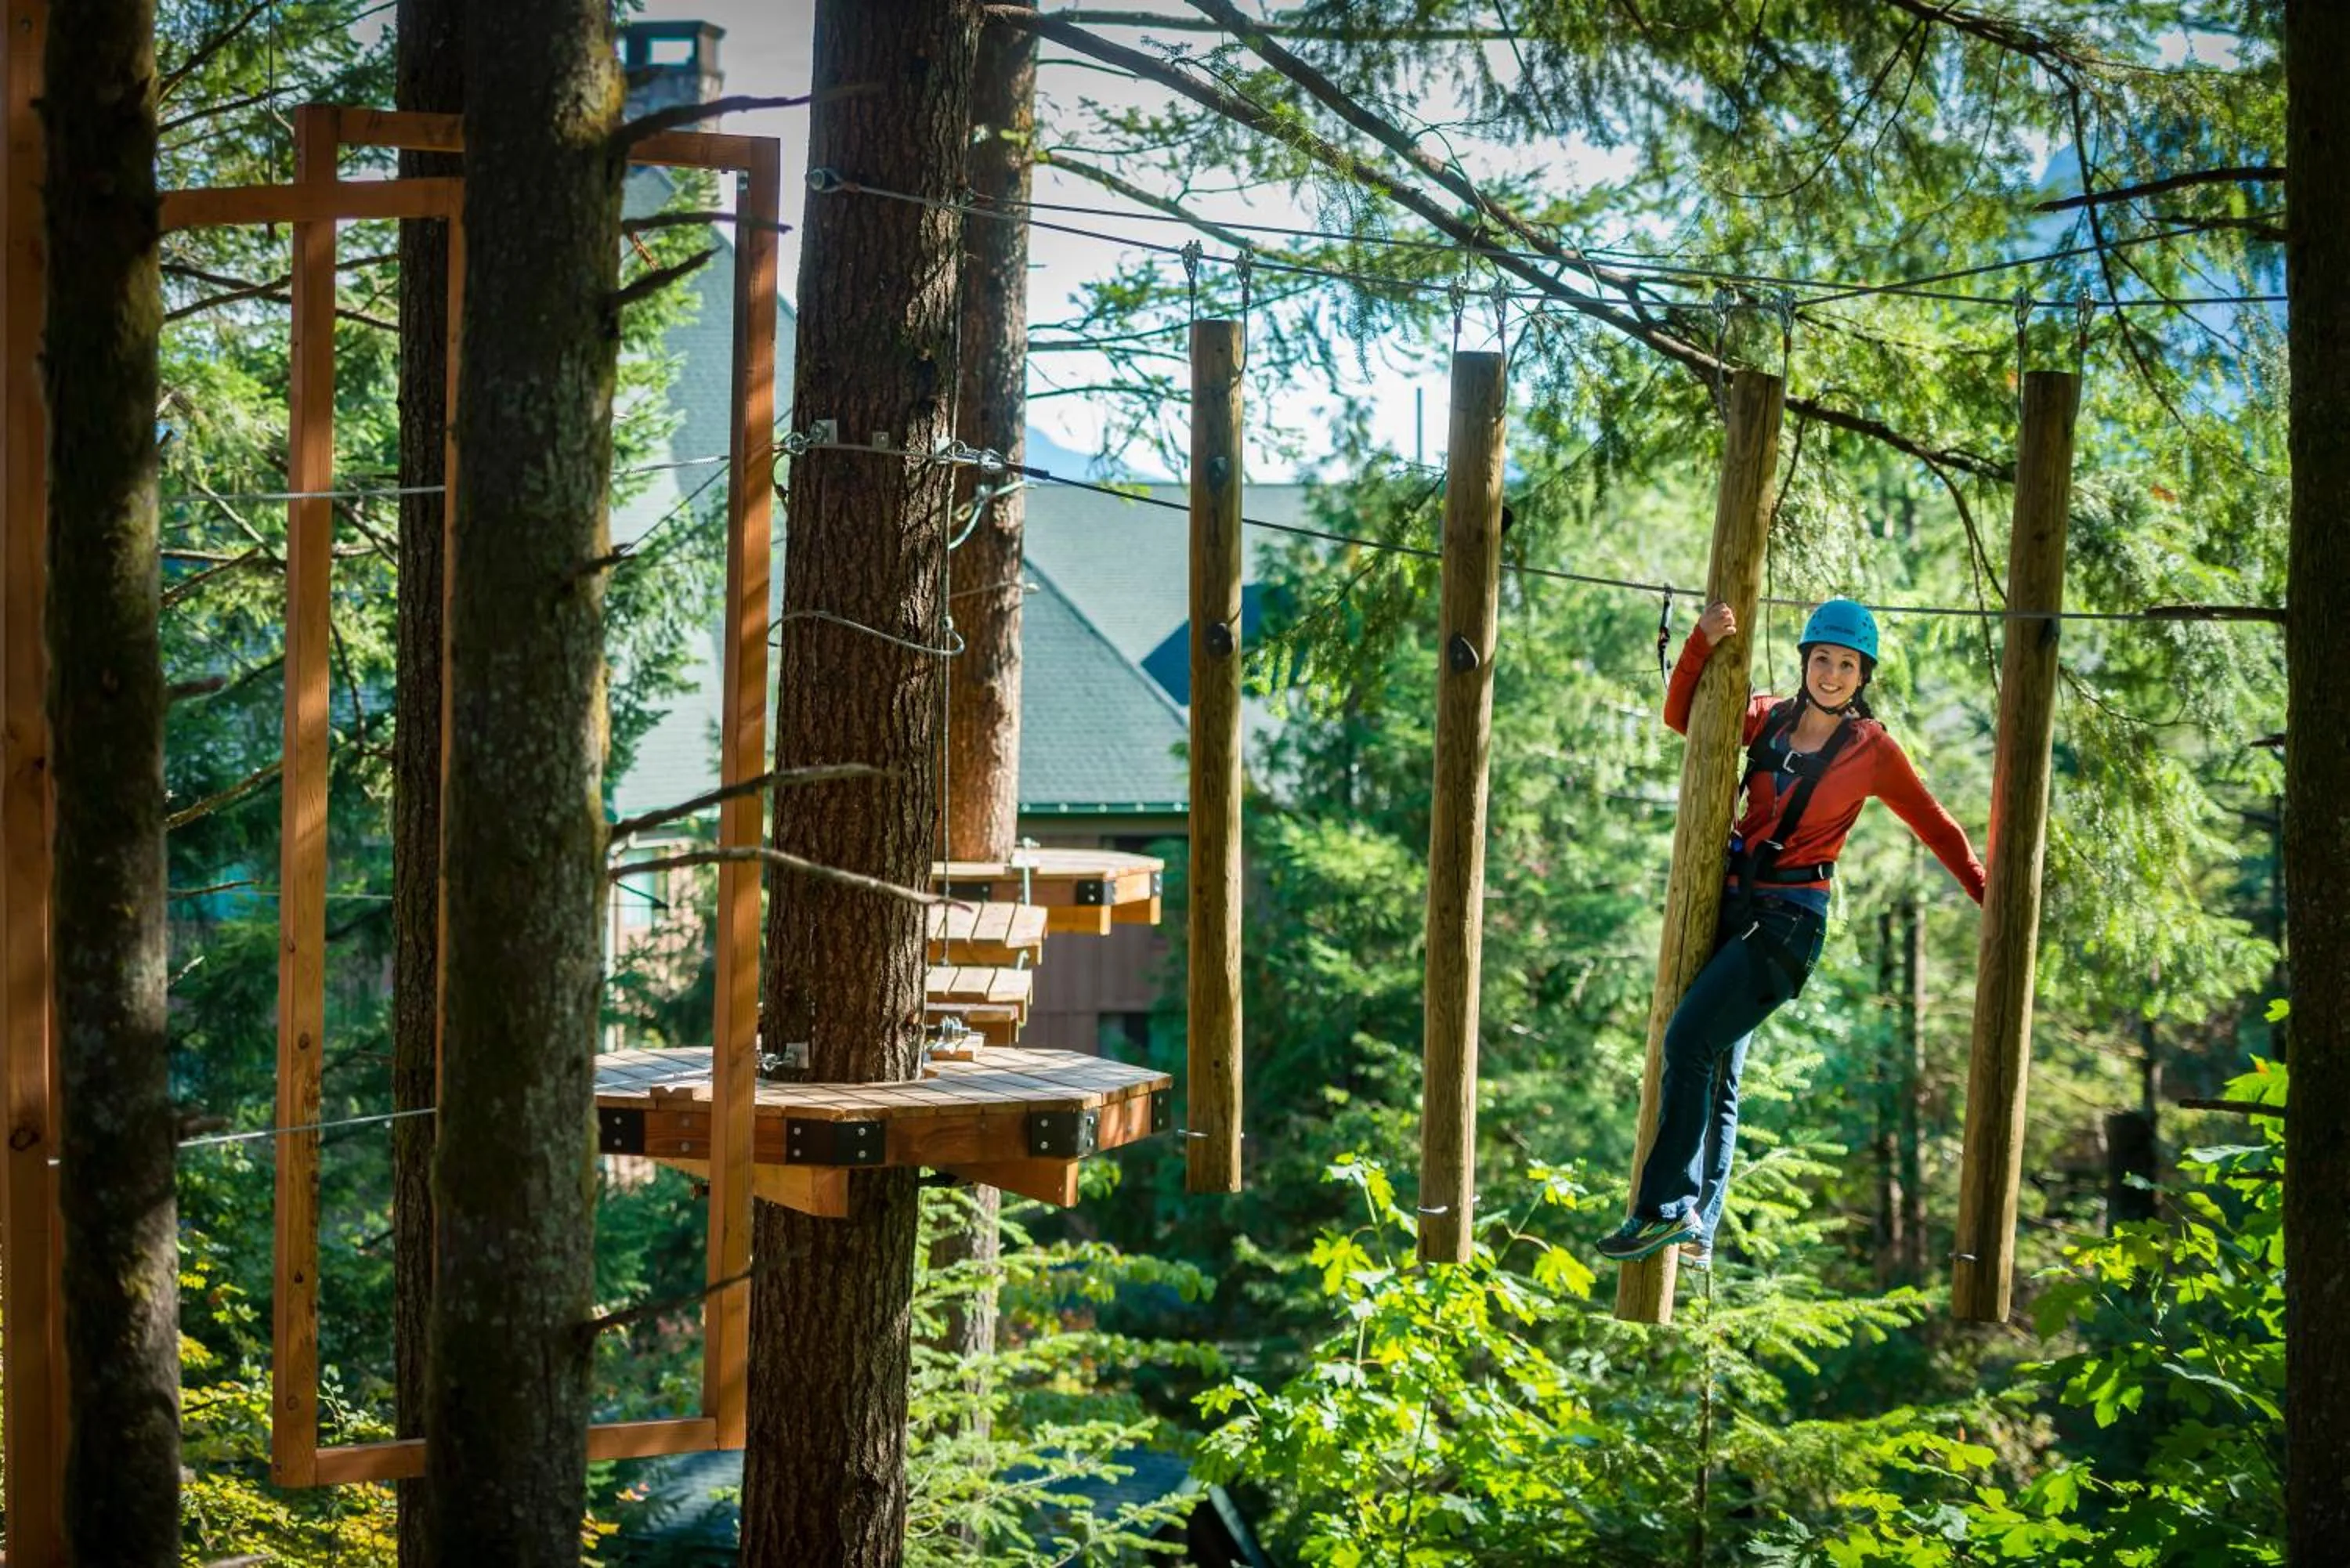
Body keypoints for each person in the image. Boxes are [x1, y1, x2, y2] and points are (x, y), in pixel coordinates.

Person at [1596, 597, 1985, 1269]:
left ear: (1863, 678)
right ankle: (1697, 1225)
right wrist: (1699, 642)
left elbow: (1936, 824)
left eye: (1847, 665)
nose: (1832, 674)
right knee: (1716, 1071)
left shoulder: (1872, 750)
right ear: (1806, 662)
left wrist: (1988, 893)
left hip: (1787, 926)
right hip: (1733, 908)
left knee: (1688, 1041)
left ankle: (1665, 1207)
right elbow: (1681, 715)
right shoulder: (1769, 717)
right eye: (1823, 660)